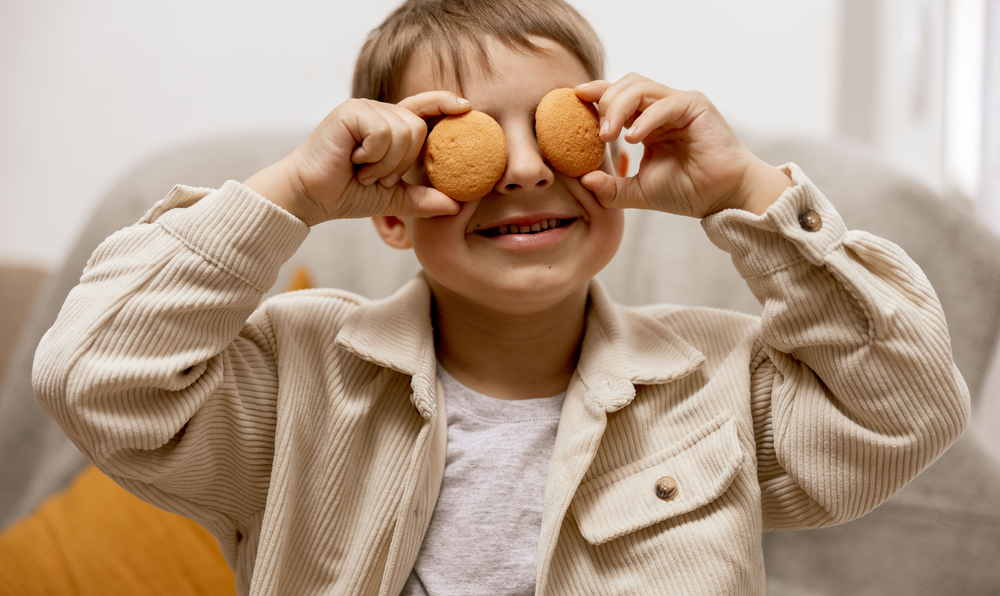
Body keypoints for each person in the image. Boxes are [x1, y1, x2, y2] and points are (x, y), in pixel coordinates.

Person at [33, 0, 970, 594]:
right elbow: (94, 377)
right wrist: (297, 194)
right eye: (466, 135)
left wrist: (747, 195)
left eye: (558, 128)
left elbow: (909, 406)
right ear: (392, 213)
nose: (522, 168)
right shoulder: (294, 383)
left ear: (611, 156)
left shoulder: (715, 384)